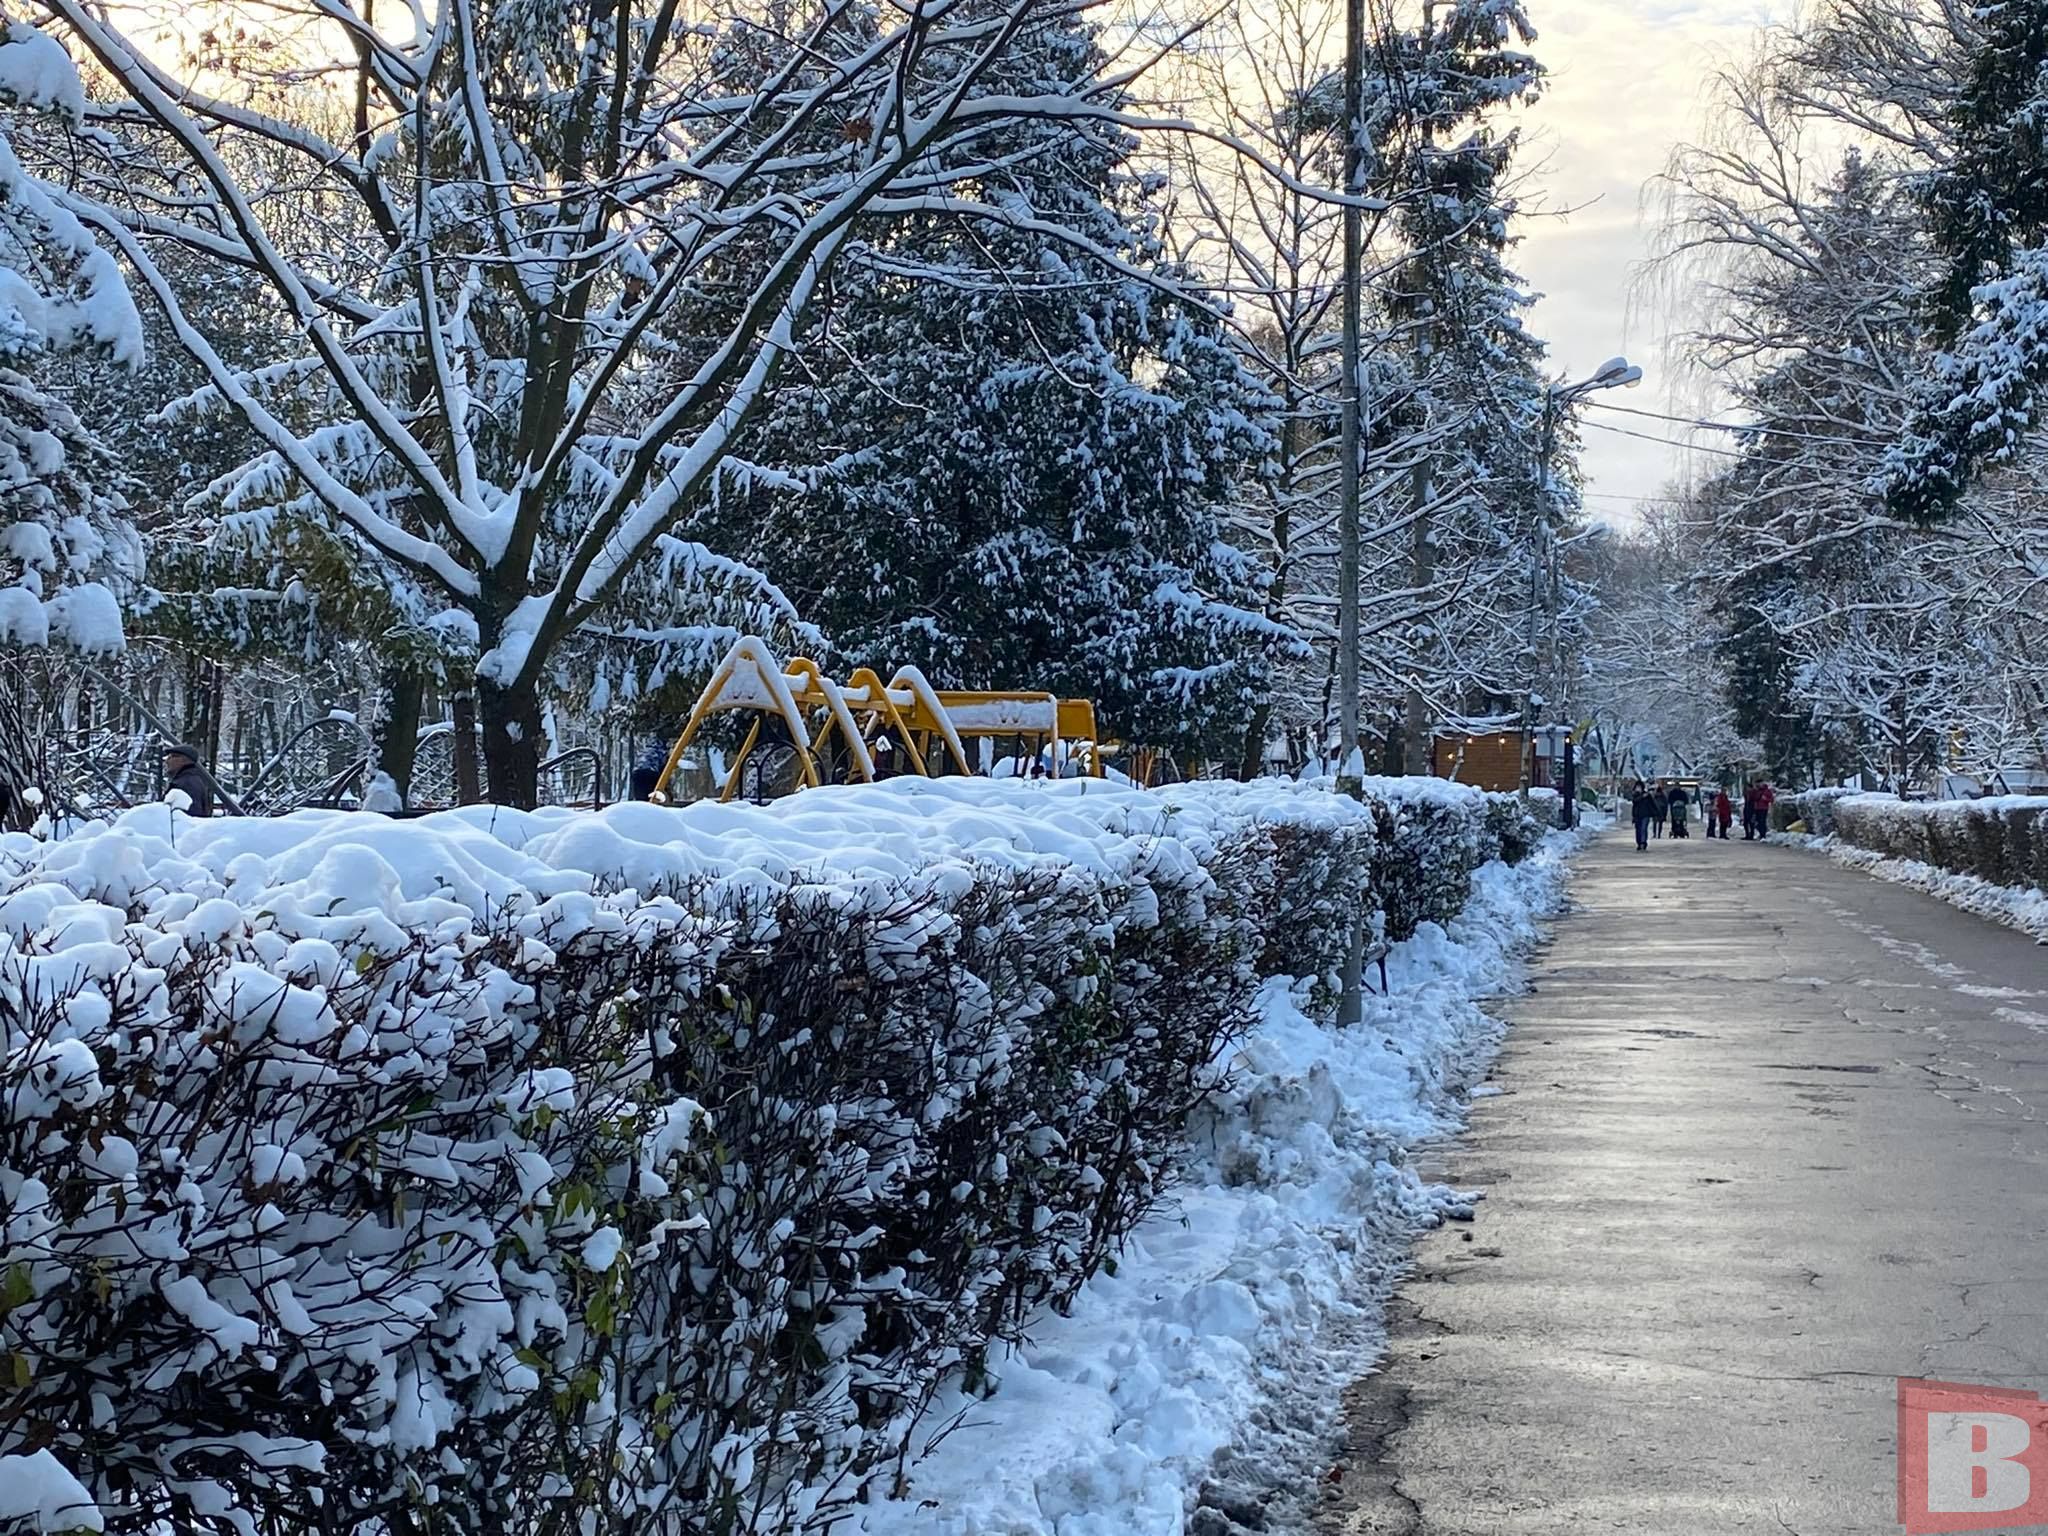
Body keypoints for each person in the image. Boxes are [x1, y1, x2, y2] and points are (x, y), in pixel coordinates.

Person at [162, 743, 215, 817]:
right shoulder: (191, 780)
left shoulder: (186, 783)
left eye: (172, 757)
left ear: (185, 760)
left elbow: (189, 816)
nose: (167, 761)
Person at [1631, 780, 1656, 851]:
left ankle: (1643, 843)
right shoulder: (1635, 795)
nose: (1638, 788)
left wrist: (1656, 813)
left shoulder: (1647, 795)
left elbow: (1653, 804)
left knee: (1643, 829)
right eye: (1637, 787)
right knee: (1638, 830)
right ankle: (1639, 843)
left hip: (1645, 814)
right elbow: (1635, 801)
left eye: (1639, 787)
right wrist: (1642, 796)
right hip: (1637, 815)